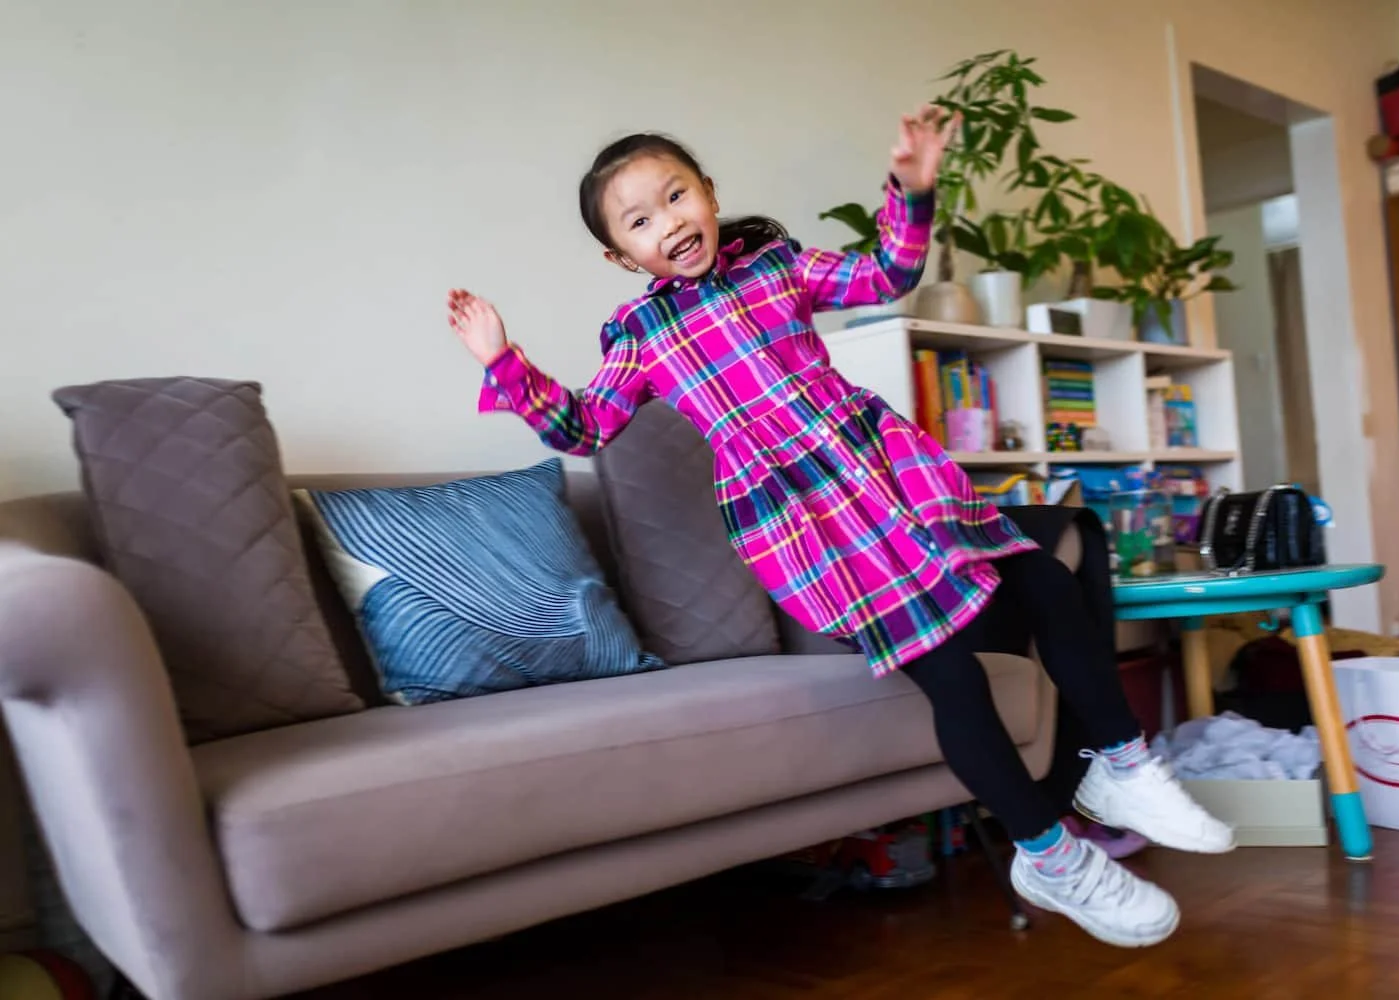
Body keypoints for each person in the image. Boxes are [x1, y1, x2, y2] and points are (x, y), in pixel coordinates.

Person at [446, 106, 1234, 948]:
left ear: (709, 193)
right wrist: (505, 360)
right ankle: (1048, 856)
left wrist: (914, 186)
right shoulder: (639, 336)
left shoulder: (777, 265)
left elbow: (887, 272)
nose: (669, 222)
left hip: (891, 481)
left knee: (1044, 575)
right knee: (955, 680)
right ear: (619, 254)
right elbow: (582, 429)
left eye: (677, 195)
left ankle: (1120, 766)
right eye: (640, 220)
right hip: (812, 529)